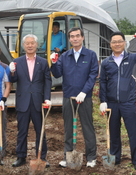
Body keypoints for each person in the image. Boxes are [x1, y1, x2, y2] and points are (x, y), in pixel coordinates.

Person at [99, 31, 136, 171]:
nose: (117, 44)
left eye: (119, 41)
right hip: (112, 103)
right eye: (114, 42)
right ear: (110, 44)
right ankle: (116, 158)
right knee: (113, 132)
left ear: (124, 43)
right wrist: (103, 101)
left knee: (134, 132)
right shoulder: (107, 62)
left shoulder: (133, 58)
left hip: (128, 103)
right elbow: (103, 83)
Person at [50, 27, 98, 168]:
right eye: (72, 36)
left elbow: (93, 74)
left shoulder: (90, 55)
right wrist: (53, 63)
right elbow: (57, 74)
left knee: (87, 127)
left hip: (85, 97)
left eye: (77, 36)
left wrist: (84, 92)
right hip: (68, 97)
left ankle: (91, 157)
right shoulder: (65, 56)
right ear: (69, 39)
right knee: (68, 128)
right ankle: (68, 155)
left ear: (82, 38)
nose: (75, 38)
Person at [9, 34, 52, 167]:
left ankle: (42, 157)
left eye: (32, 43)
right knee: (22, 131)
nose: (30, 45)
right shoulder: (17, 62)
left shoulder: (43, 62)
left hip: (38, 102)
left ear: (37, 45)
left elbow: (47, 81)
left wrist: (47, 98)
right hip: (23, 102)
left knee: (40, 131)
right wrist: (11, 72)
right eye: (27, 43)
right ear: (23, 46)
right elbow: (13, 80)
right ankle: (21, 157)